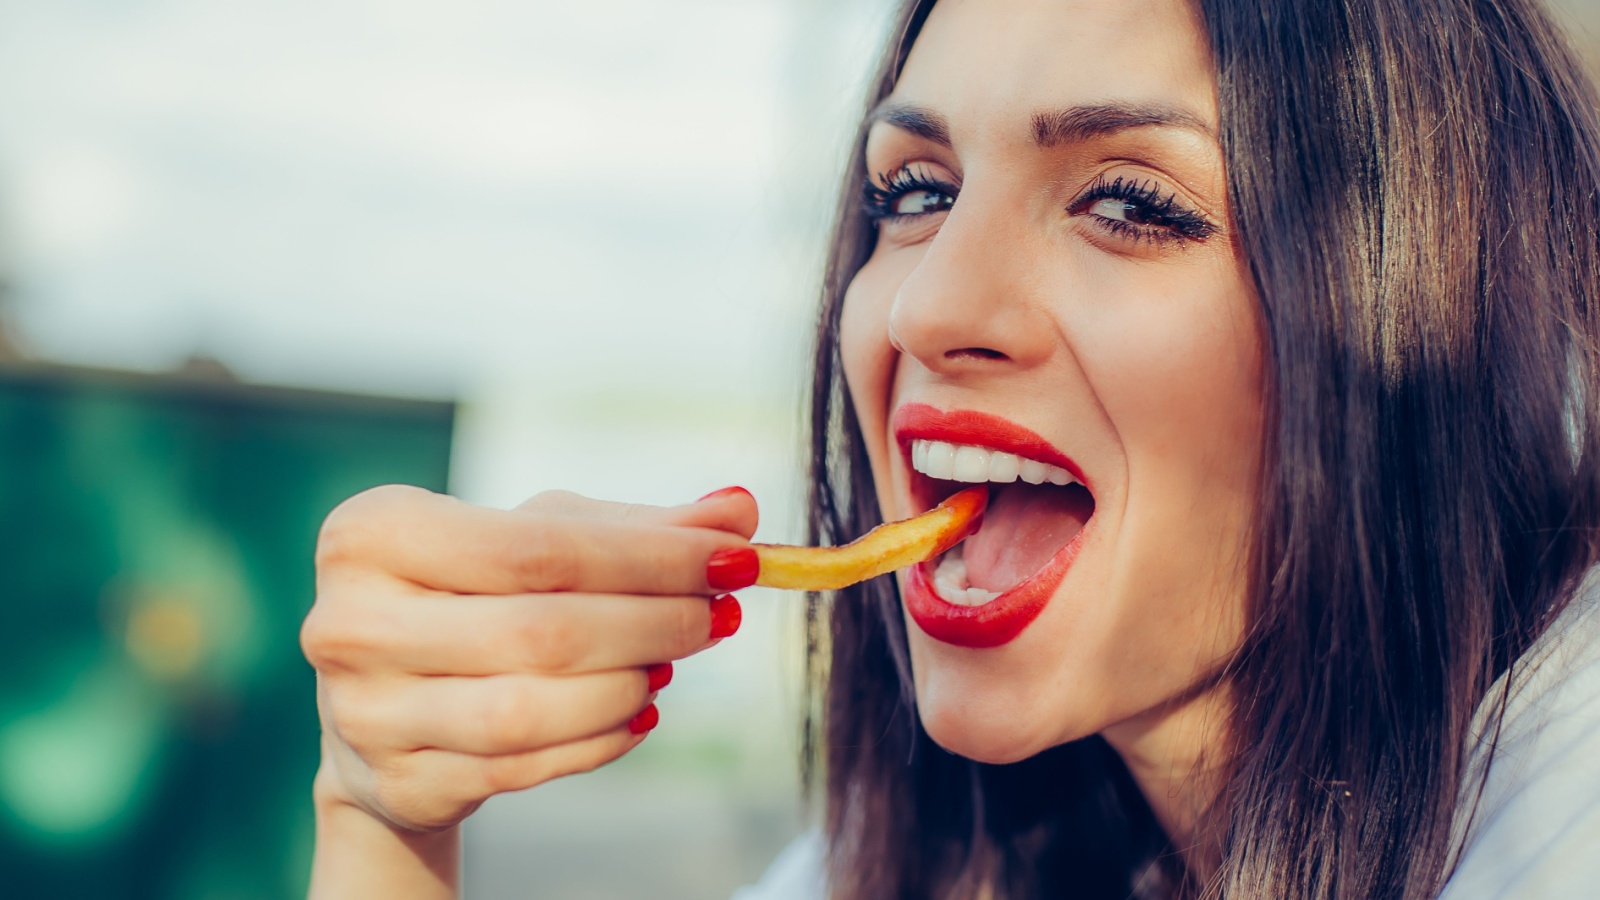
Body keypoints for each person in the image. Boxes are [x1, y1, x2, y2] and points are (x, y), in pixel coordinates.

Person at [300, 0, 1600, 896]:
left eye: (1132, 202)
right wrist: (380, 822)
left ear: (1435, 305)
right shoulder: (954, 853)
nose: (927, 306)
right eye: (912, 194)